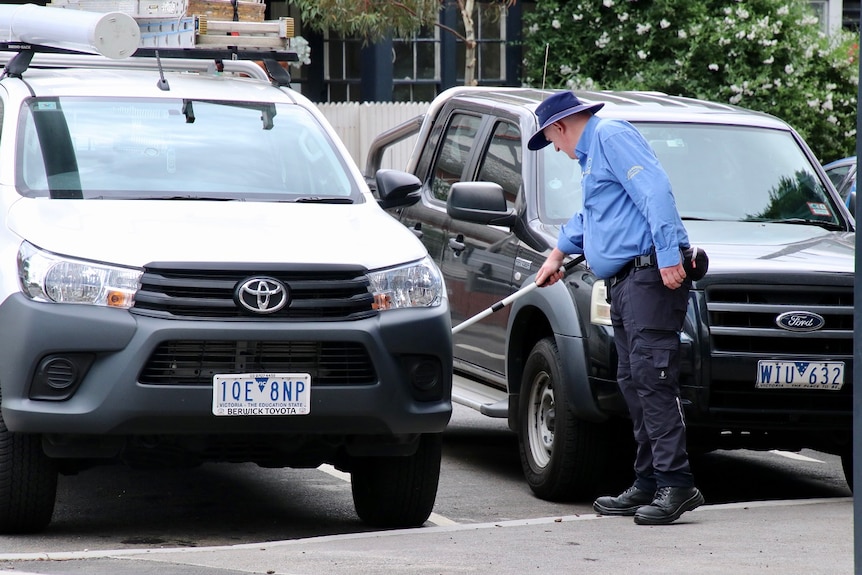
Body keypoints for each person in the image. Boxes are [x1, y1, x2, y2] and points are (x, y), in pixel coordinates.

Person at [529, 91, 704, 526]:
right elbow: (595, 217)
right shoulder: (593, 157)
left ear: (560, 126)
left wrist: (667, 254)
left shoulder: (610, 135)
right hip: (627, 282)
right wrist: (556, 255)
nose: (555, 148)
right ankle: (648, 482)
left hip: (648, 277)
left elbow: (655, 190)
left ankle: (676, 483)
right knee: (632, 379)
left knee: (652, 377)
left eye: (551, 139)